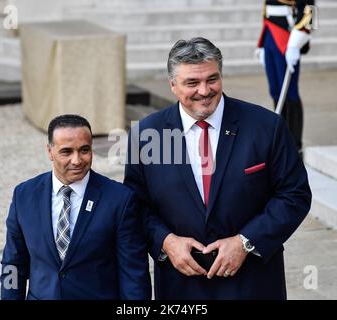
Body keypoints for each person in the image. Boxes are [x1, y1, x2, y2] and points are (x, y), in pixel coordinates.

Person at [124, 37, 311, 299]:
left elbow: (295, 195)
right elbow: (134, 205)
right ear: (173, 86)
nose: (204, 90)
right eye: (192, 83)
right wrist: (166, 241)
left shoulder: (267, 126)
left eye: (212, 79)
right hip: (182, 285)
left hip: (253, 282)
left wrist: (246, 242)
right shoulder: (146, 135)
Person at [0, 114, 151, 300]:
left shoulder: (120, 200)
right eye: (66, 152)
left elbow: (133, 273)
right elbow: (12, 264)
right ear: (49, 151)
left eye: (84, 150)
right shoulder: (24, 195)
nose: (77, 160)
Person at [255, 0, 315, 155]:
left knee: (289, 92)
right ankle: (281, 136)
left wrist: (296, 44)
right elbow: (267, 7)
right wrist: (262, 44)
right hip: (270, 34)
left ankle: (295, 144)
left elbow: (311, 10)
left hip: (287, 38)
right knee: (275, 91)